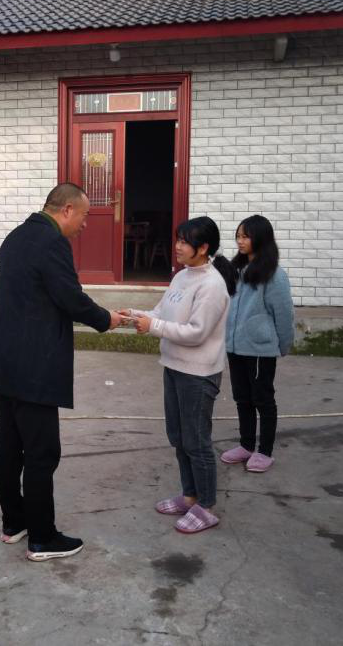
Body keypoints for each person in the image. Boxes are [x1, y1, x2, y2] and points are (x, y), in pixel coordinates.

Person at [0, 182, 122, 561]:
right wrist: (106, 318)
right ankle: (42, 538)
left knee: (10, 446)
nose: (86, 225)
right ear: (67, 210)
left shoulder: (15, 237)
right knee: (42, 452)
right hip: (34, 367)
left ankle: (14, 522)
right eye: (84, 216)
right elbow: (70, 297)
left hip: (5, 362)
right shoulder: (52, 242)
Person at [120, 216, 237, 534]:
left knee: (196, 441)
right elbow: (161, 313)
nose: (178, 246)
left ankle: (206, 506)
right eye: (178, 240)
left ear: (204, 248)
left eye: (185, 242)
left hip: (198, 374)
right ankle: (190, 496)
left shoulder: (212, 286)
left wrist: (154, 326)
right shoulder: (182, 276)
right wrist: (136, 315)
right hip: (173, 367)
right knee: (178, 436)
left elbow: (196, 332)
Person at [220, 215, 295, 473]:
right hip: (235, 347)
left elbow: (283, 314)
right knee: (242, 398)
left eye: (246, 236)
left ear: (260, 238)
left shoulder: (274, 275)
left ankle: (265, 451)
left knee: (262, 399)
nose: (240, 241)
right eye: (238, 236)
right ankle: (246, 445)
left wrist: (283, 345)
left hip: (260, 349)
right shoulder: (236, 270)